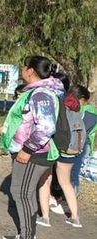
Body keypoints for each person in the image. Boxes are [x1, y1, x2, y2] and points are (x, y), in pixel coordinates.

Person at [0, 55, 64, 239]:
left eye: (24, 66)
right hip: (29, 151)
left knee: (22, 193)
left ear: (31, 71)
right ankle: (27, 233)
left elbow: (46, 127)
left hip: (35, 153)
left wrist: (27, 149)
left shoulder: (41, 94)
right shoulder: (37, 92)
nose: (22, 70)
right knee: (24, 192)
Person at [36, 84, 88, 228]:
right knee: (66, 183)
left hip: (55, 148)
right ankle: (75, 218)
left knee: (45, 180)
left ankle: (45, 217)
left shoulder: (58, 104)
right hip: (71, 151)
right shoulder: (77, 109)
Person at [72, 86, 97, 195]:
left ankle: (72, 197)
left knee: (74, 173)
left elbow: (82, 131)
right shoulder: (82, 109)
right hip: (78, 145)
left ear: (82, 99)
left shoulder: (90, 112)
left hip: (82, 146)